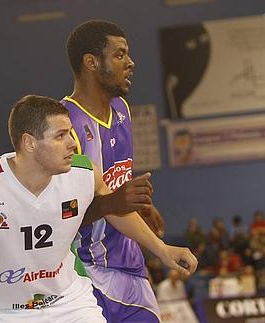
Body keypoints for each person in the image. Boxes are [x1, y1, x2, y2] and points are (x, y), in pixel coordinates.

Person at [0, 95, 197, 323]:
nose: (72, 144)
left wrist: (161, 249)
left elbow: (116, 211)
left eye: (70, 134)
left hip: (70, 302)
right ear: (29, 143)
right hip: (3, 312)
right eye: (60, 136)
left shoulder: (83, 172)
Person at [63, 20, 168, 322]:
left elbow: (118, 179)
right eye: (120, 54)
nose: (131, 63)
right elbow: (62, 215)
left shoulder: (121, 108)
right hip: (85, 271)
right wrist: (115, 204)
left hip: (130, 263)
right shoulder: (64, 124)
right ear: (91, 62)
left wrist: (142, 206)